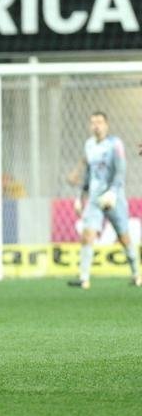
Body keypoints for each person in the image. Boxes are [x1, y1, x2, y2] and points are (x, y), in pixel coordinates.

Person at [70, 111, 138, 289]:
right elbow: (89, 173)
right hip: (94, 199)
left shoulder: (115, 144)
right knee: (88, 234)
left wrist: (113, 192)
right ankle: (84, 278)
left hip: (114, 198)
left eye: (99, 122)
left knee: (123, 236)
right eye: (93, 122)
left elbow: (120, 170)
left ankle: (136, 273)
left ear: (106, 125)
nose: (96, 126)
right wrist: (80, 197)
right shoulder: (89, 145)